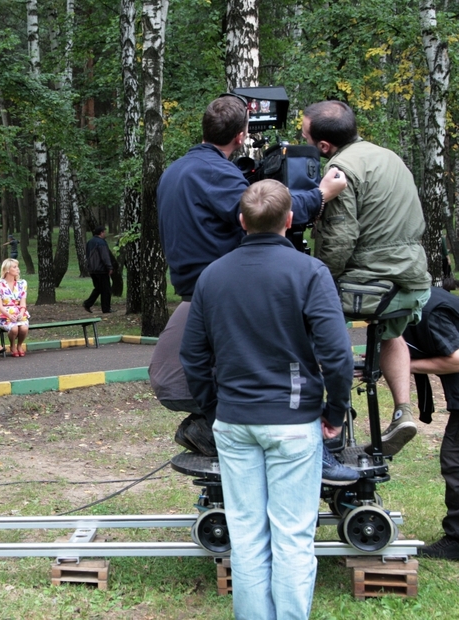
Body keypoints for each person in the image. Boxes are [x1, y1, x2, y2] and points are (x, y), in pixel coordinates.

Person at [180, 180, 355, 619]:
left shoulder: (213, 275)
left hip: (236, 421)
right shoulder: (310, 272)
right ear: (291, 220)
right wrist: (334, 412)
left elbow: (193, 356)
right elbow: (337, 355)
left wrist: (215, 409)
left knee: (247, 535)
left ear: (241, 221)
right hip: (294, 421)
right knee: (292, 537)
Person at [152, 93, 348, 457]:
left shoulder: (177, 169)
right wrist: (321, 194)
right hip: (225, 290)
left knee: (179, 372)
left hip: (196, 285)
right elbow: (262, 212)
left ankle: (217, 424)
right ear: (241, 136)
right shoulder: (214, 173)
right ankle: (225, 427)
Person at [303, 100, 431, 456]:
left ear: (324, 146)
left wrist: (317, 278)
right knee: (392, 334)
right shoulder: (388, 156)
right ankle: (403, 410)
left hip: (368, 284)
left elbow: (341, 241)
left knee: (307, 312)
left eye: (306, 138)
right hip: (411, 281)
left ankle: (331, 411)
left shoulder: (340, 169)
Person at [399, 287, 459, 559]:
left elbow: (455, 359)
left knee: (455, 460)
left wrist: (405, 365)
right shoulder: (419, 299)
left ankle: (456, 541)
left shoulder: (427, 311)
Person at [0, 259, 30, 357]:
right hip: (4, 314)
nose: (18, 269)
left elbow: (23, 303)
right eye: (14, 267)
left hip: (19, 313)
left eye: (17, 266)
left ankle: (19, 345)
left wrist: (21, 313)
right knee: (14, 329)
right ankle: (12, 345)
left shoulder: (22, 283)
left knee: (24, 328)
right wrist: (9, 315)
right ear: (7, 270)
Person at [83, 226, 113, 313]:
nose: (105, 234)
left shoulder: (90, 242)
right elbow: (105, 256)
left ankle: (88, 303)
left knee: (98, 288)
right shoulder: (101, 243)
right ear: (101, 232)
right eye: (104, 232)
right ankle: (106, 308)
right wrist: (109, 267)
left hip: (92, 269)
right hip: (101, 269)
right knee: (106, 289)